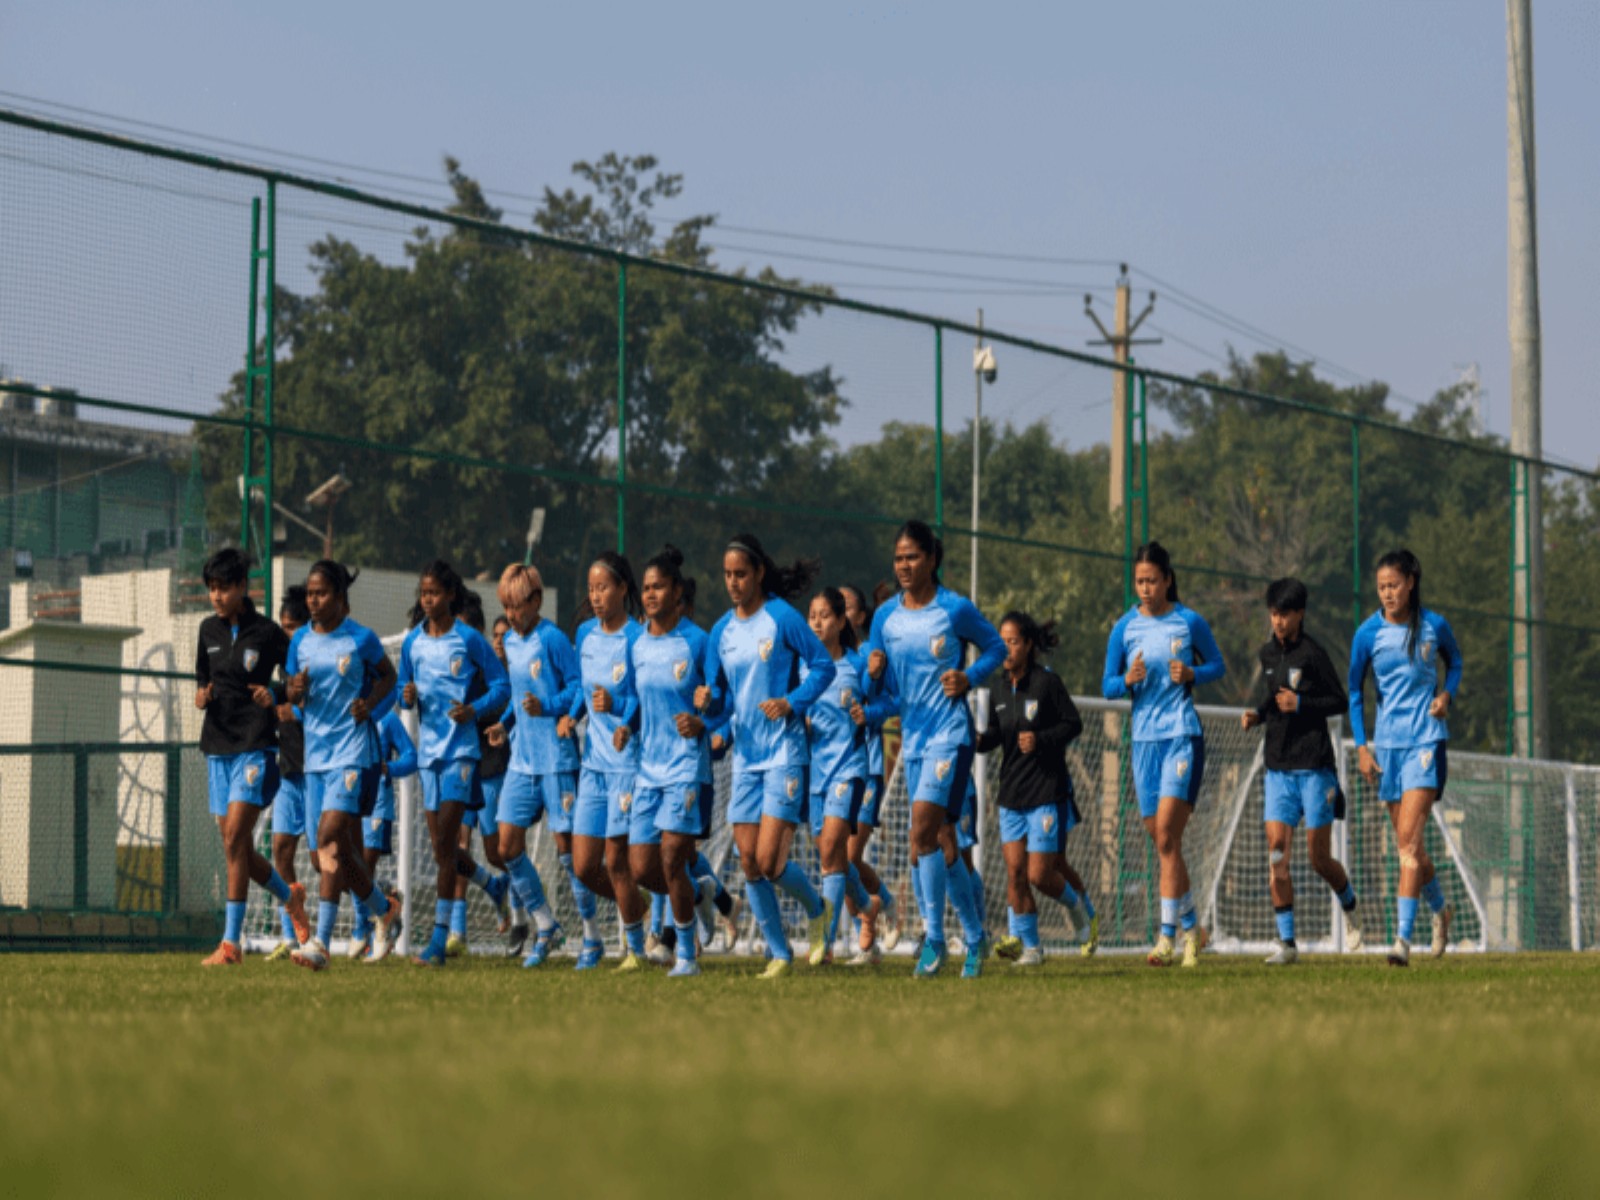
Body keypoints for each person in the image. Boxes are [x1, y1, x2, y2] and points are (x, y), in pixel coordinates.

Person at [864, 520, 1005, 978]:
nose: (904, 565)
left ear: (932, 559)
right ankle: (977, 936)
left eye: (913, 557)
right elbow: (877, 688)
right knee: (943, 841)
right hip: (914, 739)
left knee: (921, 833)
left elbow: (996, 649)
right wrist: (871, 672)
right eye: (899, 557)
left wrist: (969, 677)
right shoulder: (885, 617)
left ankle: (935, 941)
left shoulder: (954, 609)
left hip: (952, 735)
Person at [699, 533, 835, 979]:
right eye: (727, 575)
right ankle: (779, 953)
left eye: (741, 574)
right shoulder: (721, 631)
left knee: (772, 862)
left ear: (758, 573)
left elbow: (823, 666)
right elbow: (721, 700)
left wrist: (791, 702)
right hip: (746, 758)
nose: (733, 582)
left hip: (784, 753)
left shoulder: (781, 618)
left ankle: (818, 908)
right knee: (748, 859)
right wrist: (708, 700)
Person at [1101, 541, 1225, 968]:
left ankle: (1166, 936)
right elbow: (1107, 685)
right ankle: (1195, 930)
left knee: (1169, 834)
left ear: (1168, 579)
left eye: (1152, 580)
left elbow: (1217, 666)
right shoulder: (1124, 628)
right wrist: (1127, 679)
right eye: (1139, 581)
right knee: (1162, 841)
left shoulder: (1189, 621)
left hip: (1181, 735)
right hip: (1144, 742)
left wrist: (1193, 672)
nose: (1146, 588)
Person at [284, 559, 403, 970]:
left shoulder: (361, 639)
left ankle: (321, 941)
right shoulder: (299, 640)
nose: (313, 601)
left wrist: (370, 706)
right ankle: (382, 907)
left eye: (321, 594)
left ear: (339, 597)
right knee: (328, 856)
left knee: (330, 835)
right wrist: (293, 689)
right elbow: (291, 690)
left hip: (353, 753)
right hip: (315, 756)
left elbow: (390, 677)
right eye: (309, 594)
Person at [1348, 550, 1462, 967]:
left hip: (1427, 744)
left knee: (1408, 845)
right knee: (1408, 846)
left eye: (1394, 585)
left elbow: (1458, 662)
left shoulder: (1435, 626)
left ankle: (1401, 941)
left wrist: (1446, 694)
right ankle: (1441, 909)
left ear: (1411, 582)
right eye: (1381, 587)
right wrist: (1362, 746)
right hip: (1387, 750)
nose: (1387, 593)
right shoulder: (1367, 634)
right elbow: (1356, 692)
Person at [1240, 578, 1362, 964]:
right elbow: (1274, 696)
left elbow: (1339, 700)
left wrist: (1303, 703)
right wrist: (1258, 714)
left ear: (1300, 614)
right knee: (1276, 852)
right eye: (1273, 613)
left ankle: (1351, 908)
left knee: (1318, 859)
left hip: (1313, 767)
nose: (1277, 621)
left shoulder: (1314, 655)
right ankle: (1288, 944)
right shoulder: (1267, 654)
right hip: (1277, 767)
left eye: (1285, 614)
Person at [194, 548, 307, 965]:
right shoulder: (207, 631)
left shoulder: (268, 632)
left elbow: (295, 681)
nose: (217, 596)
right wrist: (201, 695)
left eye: (224, 587)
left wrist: (274, 693)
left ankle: (230, 944)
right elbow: (202, 681)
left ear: (243, 587)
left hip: (256, 745)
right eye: (211, 589)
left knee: (233, 839)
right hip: (217, 748)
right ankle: (289, 896)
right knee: (235, 848)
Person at [396, 560, 511, 966]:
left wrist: (475, 710)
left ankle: (437, 942)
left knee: (446, 845)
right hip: (428, 756)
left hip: (462, 753)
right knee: (443, 847)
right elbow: (402, 690)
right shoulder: (413, 642)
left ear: (449, 596)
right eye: (423, 593)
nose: (427, 600)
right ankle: (492, 886)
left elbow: (501, 686)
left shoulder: (470, 639)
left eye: (434, 593)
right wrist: (407, 695)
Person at [979, 611, 1095, 967]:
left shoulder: (1047, 683)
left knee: (1040, 873)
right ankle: (1031, 948)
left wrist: (1041, 739)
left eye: (1013, 641)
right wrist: (974, 740)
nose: (1007, 648)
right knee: (1015, 874)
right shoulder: (998, 687)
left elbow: (1073, 724)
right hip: (1011, 795)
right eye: (1002, 642)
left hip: (1047, 791)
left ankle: (1077, 907)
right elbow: (997, 734)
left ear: (1028, 645)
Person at [481, 564, 574, 968]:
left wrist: (550, 707)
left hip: (556, 757)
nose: (511, 615)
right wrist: (505, 724)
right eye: (505, 607)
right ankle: (545, 924)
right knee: (506, 846)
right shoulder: (512, 646)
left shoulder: (553, 639)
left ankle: (592, 938)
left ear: (535, 601)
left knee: (569, 852)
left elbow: (576, 687)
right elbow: (522, 700)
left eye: (516, 606)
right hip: (522, 760)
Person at [629, 546, 716, 977]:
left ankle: (685, 956)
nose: (650, 594)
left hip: (685, 767)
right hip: (648, 769)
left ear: (676, 591)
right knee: (642, 867)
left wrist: (704, 716)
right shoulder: (638, 643)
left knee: (671, 858)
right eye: (645, 588)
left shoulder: (698, 642)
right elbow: (635, 698)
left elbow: (723, 699)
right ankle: (697, 896)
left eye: (658, 587)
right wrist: (626, 722)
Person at [571, 552, 648, 971]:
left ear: (622, 589)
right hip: (593, 767)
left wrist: (622, 714)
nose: (596, 596)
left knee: (617, 861)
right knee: (584, 867)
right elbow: (581, 691)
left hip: (626, 764)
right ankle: (640, 904)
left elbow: (641, 696)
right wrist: (571, 714)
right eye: (591, 589)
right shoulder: (584, 635)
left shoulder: (637, 637)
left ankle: (635, 949)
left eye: (604, 588)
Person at [805, 588, 877, 964]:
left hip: (849, 768)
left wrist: (871, 713)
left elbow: (887, 700)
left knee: (834, 850)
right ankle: (867, 905)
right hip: (814, 774)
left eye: (825, 616)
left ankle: (825, 944)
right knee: (828, 857)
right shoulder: (802, 668)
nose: (817, 622)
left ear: (841, 621)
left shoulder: (858, 665)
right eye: (812, 616)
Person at [840, 584, 898, 962]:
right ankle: (877, 912)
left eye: (844, 607)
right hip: (829, 773)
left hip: (866, 768)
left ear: (861, 618)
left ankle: (869, 919)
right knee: (837, 863)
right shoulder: (818, 662)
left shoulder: (869, 657)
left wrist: (868, 709)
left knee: (844, 858)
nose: (834, 615)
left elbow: (891, 701)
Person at [349, 700, 418, 959]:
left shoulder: (387, 719)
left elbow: (411, 757)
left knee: (363, 868)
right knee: (347, 868)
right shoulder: (346, 714)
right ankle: (387, 902)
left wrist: (389, 768)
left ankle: (366, 930)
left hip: (378, 804)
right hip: (349, 798)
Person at [265, 585, 312, 962]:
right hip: (287, 771)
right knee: (280, 850)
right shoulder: (282, 666)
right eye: (283, 627)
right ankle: (292, 935)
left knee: (324, 858)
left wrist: (292, 712)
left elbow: (332, 711)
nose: (287, 634)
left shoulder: (317, 662)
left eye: (293, 626)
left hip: (317, 771)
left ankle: (375, 910)